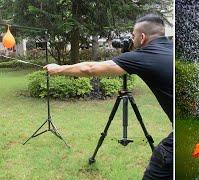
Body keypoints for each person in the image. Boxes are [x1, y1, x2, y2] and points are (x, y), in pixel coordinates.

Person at [44, 14, 173, 179]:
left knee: (160, 162)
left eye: (133, 36)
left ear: (142, 37)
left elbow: (89, 69)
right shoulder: (171, 49)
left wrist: (58, 69)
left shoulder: (142, 56)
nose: (131, 40)